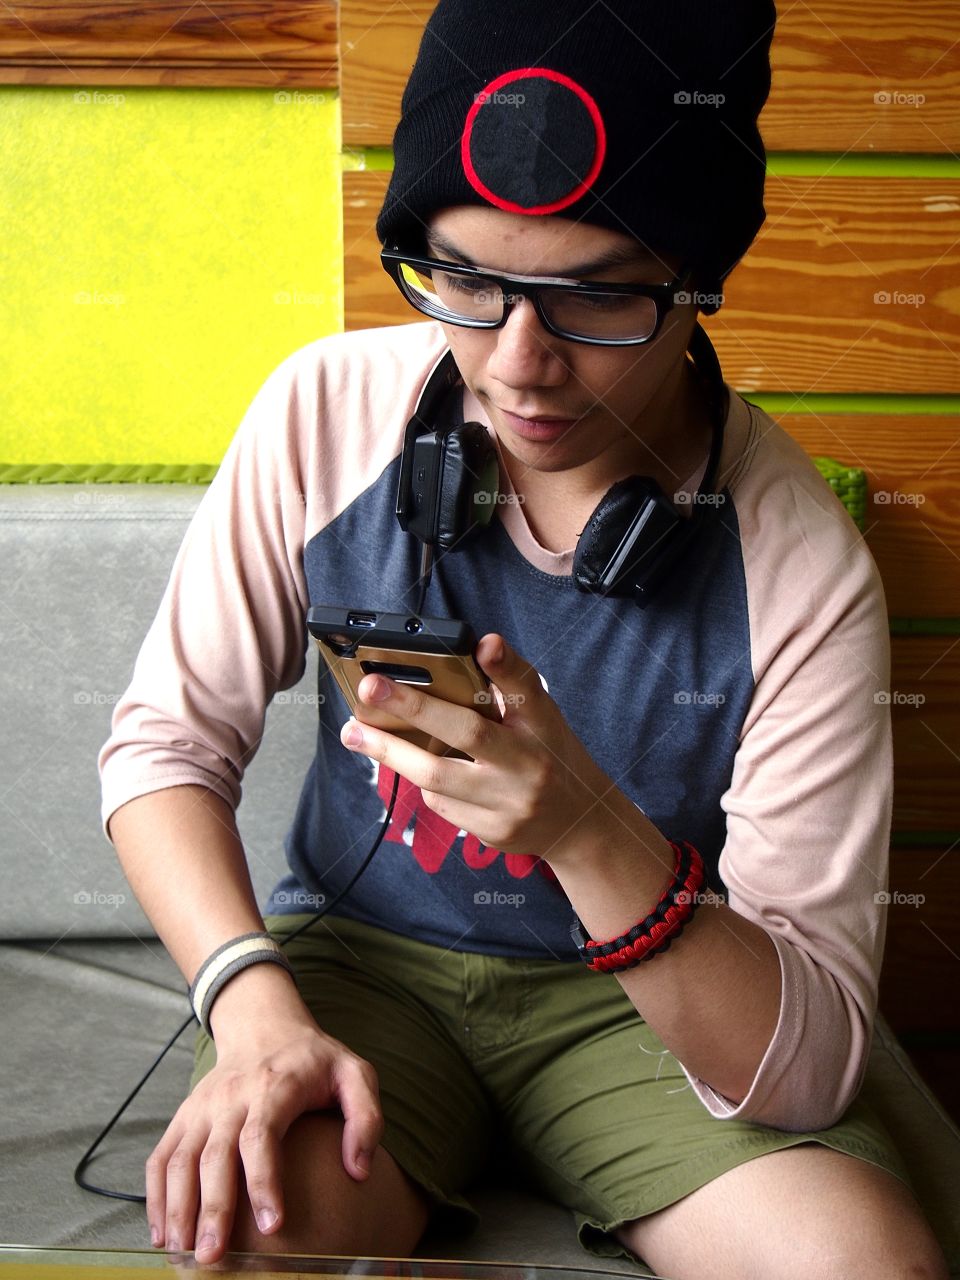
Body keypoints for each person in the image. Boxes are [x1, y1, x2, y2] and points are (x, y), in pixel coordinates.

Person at [97, 2, 950, 1277]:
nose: (518, 364)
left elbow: (812, 1059)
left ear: (698, 280)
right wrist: (252, 1005)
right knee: (245, 1234)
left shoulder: (799, 563)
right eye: (468, 280)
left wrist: (585, 828)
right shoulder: (320, 413)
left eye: (595, 297)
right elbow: (162, 748)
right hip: (365, 973)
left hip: (647, 1004)